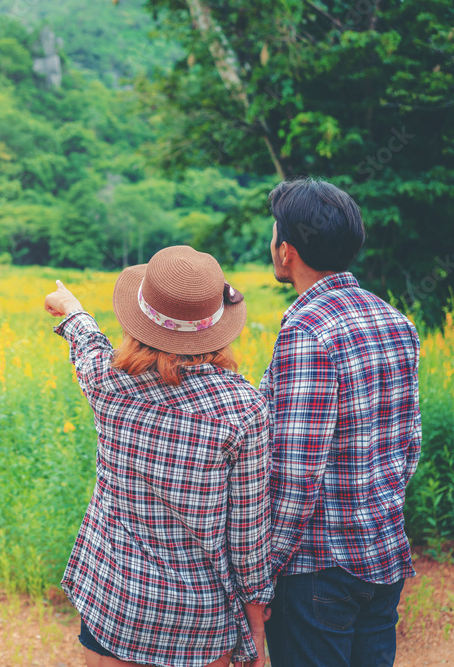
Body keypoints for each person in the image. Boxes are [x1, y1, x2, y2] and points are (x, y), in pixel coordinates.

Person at [45, 245, 273, 667]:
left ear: (139, 316)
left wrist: (72, 308)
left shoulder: (106, 383)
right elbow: (247, 534)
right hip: (201, 623)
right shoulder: (244, 409)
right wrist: (256, 623)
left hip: (117, 607)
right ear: (215, 325)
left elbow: (88, 345)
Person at [260, 178, 422, 667]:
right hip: (382, 554)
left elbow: (296, 476)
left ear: (286, 251)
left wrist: (263, 572)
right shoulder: (394, 320)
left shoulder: (307, 332)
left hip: (316, 570)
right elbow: (408, 444)